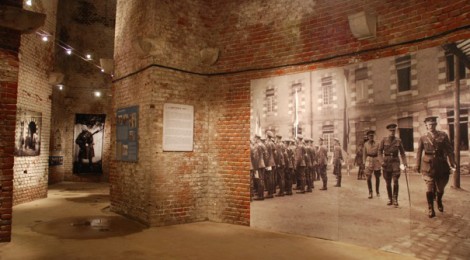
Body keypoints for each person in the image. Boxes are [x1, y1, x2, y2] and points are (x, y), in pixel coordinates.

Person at [416, 116, 456, 218]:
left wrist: (452, 162)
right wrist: (417, 165)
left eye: (433, 124)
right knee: (429, 187)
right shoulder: (423, 137)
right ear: (426, 126)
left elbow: (449, 150)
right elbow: (419, 152)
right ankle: (431, 208)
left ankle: (439, 200)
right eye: (429, 124)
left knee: (441, 188)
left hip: (441, 165)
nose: (431, 126)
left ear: (436, 125)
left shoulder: (443, 135)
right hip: (428, 165)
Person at [379, 123, 407, 207]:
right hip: (386, 163)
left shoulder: (398, 140)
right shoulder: (384, 140)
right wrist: (381, 162)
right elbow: (379, 152)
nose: (392, 132)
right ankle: (389, 198)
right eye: (390, 131)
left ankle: (395, 199)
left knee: (395, 181)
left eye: (393, 131)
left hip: (395, 162)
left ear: (395, 131)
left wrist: (404, 163)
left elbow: (402, 153)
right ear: (388, 131)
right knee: (388, 182)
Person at [363, 130, 381, 199]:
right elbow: (364, 154)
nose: (371, 137)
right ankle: (370, 192)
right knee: (368, 177)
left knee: (377, 177)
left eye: (372, 136)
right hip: (369, 160)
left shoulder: (377, 143)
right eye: (370, 136)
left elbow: (380, 153)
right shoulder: (366, 144)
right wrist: (364, 163)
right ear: (367, 137)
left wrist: (380, 161)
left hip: (376, 160)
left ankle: (377, 191)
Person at [252, 134, 266, 201]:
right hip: (262, 164)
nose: (254, 139)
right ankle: (261, 195)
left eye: (254, 138)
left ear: (257, 138)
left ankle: (260, 196)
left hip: (258, 164)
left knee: (259, 180)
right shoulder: (263, 145)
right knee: (262, 179)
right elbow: (266, 155)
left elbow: (255, 157)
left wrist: (255, 167)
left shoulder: (257, 146)